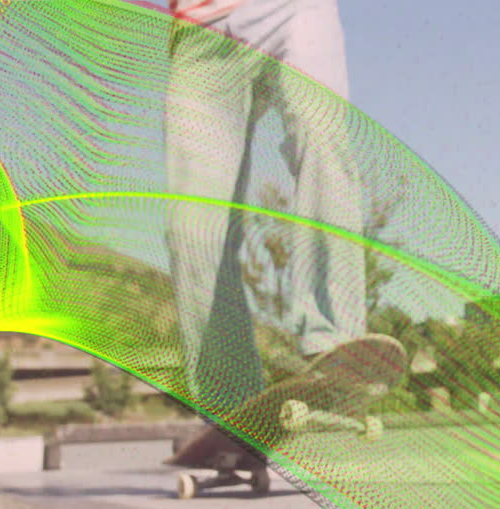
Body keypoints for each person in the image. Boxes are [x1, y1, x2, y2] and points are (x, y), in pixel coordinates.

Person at [164, 0, 398, 416]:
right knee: (192, 228)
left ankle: (335, 346)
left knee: (321, 142)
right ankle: (230, 406)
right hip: (202, 31)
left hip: (295, 8)